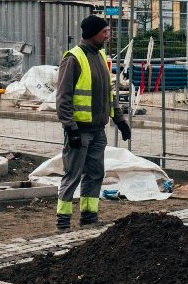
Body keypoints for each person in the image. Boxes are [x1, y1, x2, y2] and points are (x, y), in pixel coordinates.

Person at [54, 14, 131, 233]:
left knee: (96, 174)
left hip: (98, 131)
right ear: (92, 33)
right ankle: (63, 221)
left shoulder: (100, 56)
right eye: (104, 31)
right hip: (79, 131)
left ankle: (89, 218)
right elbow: (63, 98)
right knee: (72, 175)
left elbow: (109, 94)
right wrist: (71, 127)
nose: (108, 35)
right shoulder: (73, 58)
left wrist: (120, 121)